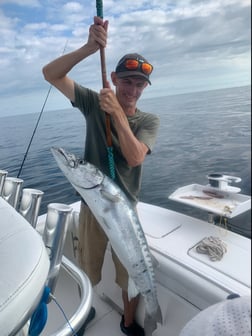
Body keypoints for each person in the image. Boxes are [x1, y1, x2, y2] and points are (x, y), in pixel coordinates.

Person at [42, 16, 160, 336]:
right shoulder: (94, 103)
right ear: (114, 79)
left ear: (145, 87)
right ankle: (85, 312)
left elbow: (135, 157)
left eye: (139, 84)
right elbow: (50, 74)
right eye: (127, 81)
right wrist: (89, 47)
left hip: (126, 210)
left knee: (129, 275)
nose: (132, 89)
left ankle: (127, 321)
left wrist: (118, 115)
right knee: (87, 270)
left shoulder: (149, 121)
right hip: (91, 210)